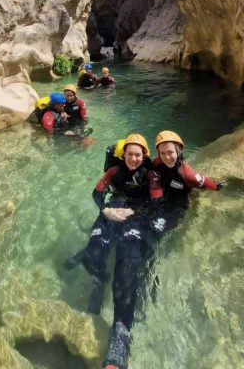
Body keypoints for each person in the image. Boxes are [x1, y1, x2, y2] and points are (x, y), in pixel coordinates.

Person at [63, 134, 162, 369]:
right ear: (123, 155)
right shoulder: (114, 172)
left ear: (144, 155)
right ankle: (99, 280)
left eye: (138, 155)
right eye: (130, 154)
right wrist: (106, 210)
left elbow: (157, 204)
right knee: (96, 251)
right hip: (113, 208)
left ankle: (121, 333)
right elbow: (97, 194)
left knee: (127, 267)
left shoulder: (151, 175)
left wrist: (135, 215)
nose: (134, 159)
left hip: (136, 215)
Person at [149, 130, 224, 237]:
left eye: (170, 152)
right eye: (162, 153)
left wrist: (219, 186)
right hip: (163, 192)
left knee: (158, 230)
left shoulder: (188, 175)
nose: (166, 157)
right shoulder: (157, 162)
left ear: (178, 151)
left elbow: (210, 184)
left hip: (178, 200)